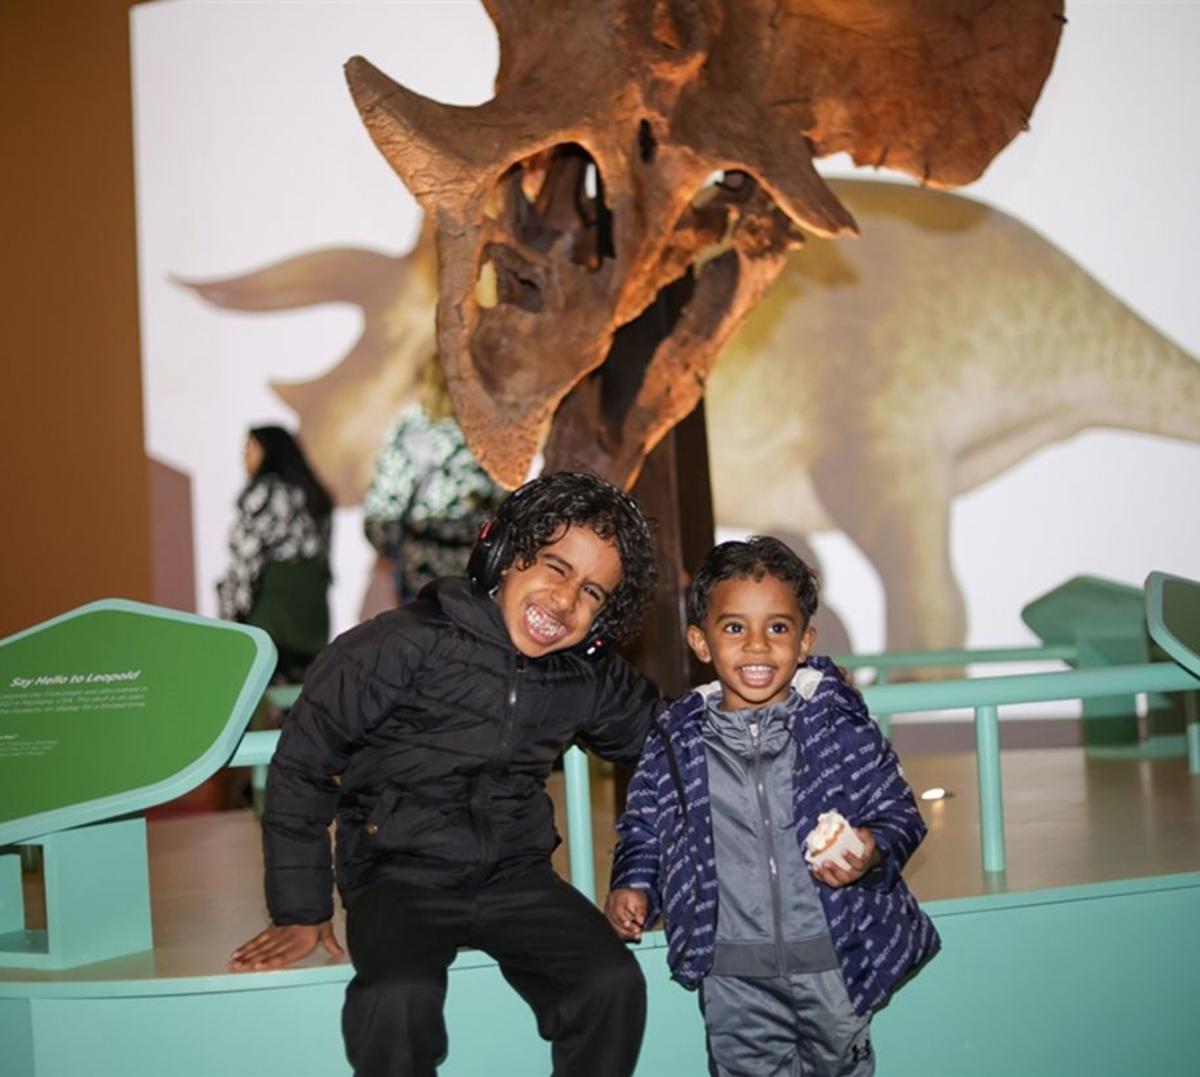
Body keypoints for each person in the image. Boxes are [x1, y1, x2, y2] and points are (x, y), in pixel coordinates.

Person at [229, 471, 663, 1077]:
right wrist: (301, 909)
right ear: (502, 554)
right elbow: (303, 764)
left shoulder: (584, 676)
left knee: (612, 984)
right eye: (555, 568)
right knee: (395, 1000)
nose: (564, 603)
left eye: (593, 593)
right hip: (397, 875)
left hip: (516, 875)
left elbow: (672, 743)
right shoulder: (397, 646)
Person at [606, 536, 940, 1077]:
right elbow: (645, 826)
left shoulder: (838, 727)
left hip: (833, 963)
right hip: (732, 976)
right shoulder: (677, 740)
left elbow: (898, 812)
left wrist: (871, 849)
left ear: (804, 641)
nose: (757, 646)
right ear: (700, 640)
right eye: (735, 627)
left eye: (777, 628)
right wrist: (635, 883)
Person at [361, 357, 506, 605]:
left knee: (420, 638)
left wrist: (394, 550)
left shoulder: (417, 430)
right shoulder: (492, 434)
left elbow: (383, 509)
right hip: (474, 568)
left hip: (421, 567)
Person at [216, 425, 333, 684]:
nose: (243, 456)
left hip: (273, 612)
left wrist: (231, 612)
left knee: (259, 693)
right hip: (311, 616)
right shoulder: (314, 496)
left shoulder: (265, 492)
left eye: (250, 447)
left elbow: (246, 557)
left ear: (269, 451)